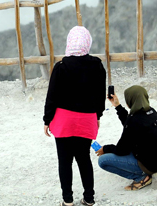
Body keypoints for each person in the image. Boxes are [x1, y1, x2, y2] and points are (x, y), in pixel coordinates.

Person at [44, 26, 106, 206]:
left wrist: (47, 119)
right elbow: (99, 94)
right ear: (88, 42)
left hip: (63, 121)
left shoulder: (61, 67)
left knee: (64, 161)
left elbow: (52, 96)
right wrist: (98, 116)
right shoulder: (97, 65)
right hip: (87, 120)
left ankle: (68, 200)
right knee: (84, 158)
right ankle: (89, 198)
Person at [95, 85, 157, 191]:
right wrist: (117, 106)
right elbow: (131, 126)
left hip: (151, 165)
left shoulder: (134, 120)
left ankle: (141, 177)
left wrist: (105, 149)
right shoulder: (152, 112)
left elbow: (121, 150)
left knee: (103, 160)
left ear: (130, 101)